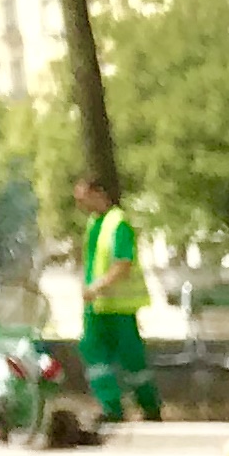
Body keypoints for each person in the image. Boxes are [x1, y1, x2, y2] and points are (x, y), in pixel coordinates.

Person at [74, 176, 160, 425]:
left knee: (132, 360)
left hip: (119, 306)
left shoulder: (118, 223)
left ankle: (149, 406)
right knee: (94, 355)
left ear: (99, 193)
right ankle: (111, 407)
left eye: (83, 198)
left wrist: (96, 287)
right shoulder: (94, 223)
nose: (80, 204)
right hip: (97, 306)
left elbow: (123, 263)